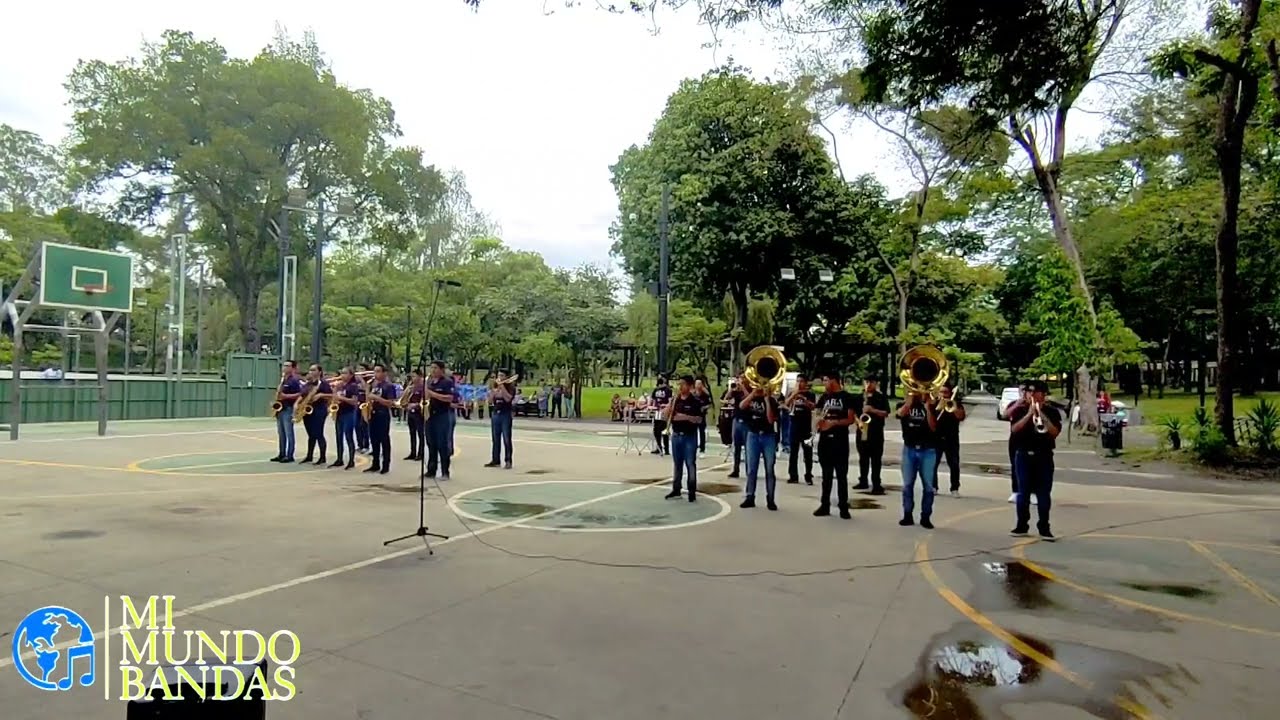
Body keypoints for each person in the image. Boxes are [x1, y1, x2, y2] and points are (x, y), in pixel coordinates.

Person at [1009, 379, 1062, 541]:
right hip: (1023, 455)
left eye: (1034, 391)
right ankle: (1021, 525)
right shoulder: (1020, 409)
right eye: (1028, 391)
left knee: (1043, 493)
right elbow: (1014, 429)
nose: (1030, 394)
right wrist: (1029, 414)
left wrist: (1041, 414)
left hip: (1044, 455)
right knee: (1023, 492)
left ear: (1043, 394)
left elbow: (1054, 432)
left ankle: (1044, 527)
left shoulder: (1052, 411)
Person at [813, 372, 857, 519]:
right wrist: (818, 421)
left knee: (841, 475)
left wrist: (833, 423)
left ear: (833, 381)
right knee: (826, 475)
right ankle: (824, 505)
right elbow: (817, 413)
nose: (824, 383)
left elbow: (850, 419)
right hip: (825, 440)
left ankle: (843, 506)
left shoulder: (846, 397)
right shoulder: (824, 397)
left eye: (826, 380)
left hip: (840, 440)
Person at [896, 389, 940, 529]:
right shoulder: (903, 405)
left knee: (928, 486)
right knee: (907, 485)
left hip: (928, 450)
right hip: (909, 449)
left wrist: (928, 408)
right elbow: (899, 414)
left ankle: (925, 517)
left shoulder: (934, 406)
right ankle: (907, 515)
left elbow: (934, 427)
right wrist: (909, 403)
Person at [738, 379, 779, 511]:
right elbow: (741, 406)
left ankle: (770, 498)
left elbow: (770, 419)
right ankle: (750, 496)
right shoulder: (752, 399)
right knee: (751, 468)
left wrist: (766, 400)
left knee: (769, 468)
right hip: (753, 435)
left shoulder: (772, 401)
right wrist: (752, 394)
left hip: (768, 436)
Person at [663, 375, 705, 502]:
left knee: (690, 463)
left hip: (689, 436)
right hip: (676, 435)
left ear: (690, 386)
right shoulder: (676, 399)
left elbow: (698, 419)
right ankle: (676, 488)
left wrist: (684, 417)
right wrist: (669, 405)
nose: (680, 387)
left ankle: (691, 490)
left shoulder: (695, 401)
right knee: (677, 464)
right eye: (679, 384)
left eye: (683, 384)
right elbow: (666, 415)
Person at [853, 374, 892, 495]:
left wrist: (872, 410)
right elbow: (853, 413)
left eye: (871, 382)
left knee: (876, 459)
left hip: (876, 432)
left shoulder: (881, 397)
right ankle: (863, 480)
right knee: (863, 457)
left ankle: (876, 483)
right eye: (866, 382)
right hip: (862, 430)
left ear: (876, 384)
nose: (868, 384)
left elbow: (886, 413)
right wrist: (858, 422)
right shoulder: (859, 397)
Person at [423, 361, 456, 479]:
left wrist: (432, 394)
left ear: (442, 370)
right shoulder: (429, 382)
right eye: (431, 367)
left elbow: (449, 398)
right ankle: (431, 470)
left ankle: (445, 471)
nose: (432, 370)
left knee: (442, 444)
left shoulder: (447, 382)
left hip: (442, 415)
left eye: (435, 368)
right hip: (430, 415)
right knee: (431, 443)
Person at [364, 364, 398, 475]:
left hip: (382, 414)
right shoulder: (373, 385)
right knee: (374, 440)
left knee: (384, 439)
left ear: (384, 373)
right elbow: (368, 399)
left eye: (378, 371)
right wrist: (367, 391)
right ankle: (375, 463)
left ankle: (386, 465)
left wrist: (376, 398)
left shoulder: (388, 386)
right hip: (372, 414)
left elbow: (391, 403)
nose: (375, 374)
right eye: (374, 371)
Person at [934, 384, 967, 497]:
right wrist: (939, 406)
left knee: (954, 464)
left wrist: (952, 406)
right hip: (936, 438)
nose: (943, 395)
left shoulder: (955, 404)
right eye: (941, 392)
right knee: (933, 463)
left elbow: (961, 417)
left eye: (945, 392)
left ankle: (954, 488)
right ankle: (933, 486)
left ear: (950, 393)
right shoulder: (934, 404)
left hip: (951, 438)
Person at [784, 375, 816, 485]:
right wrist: (794, 395)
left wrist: (804, 400)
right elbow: (786, 403)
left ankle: (808, 475)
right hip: (794, 425)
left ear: (806, 383)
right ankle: (793, 476)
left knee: (808, 453)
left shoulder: (810, 394)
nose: (799, 383)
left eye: (801, 381)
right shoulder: (792, 393)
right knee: (793, 452)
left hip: (806, 426)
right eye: (797, 381)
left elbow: (813, 407)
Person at [329, 367, 361, 470]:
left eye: (345, 373)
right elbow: (334, 397)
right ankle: (339, 459)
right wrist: (335, 390)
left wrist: (341, 398)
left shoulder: (353, 386)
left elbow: (354, 401)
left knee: (348, 436)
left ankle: (351, 460)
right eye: (341, 373)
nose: (342, 375)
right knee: (338, 436)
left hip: (349, 413)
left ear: (351, 375)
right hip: (339, 412)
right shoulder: (340, 385)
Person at [271, 361, 303, 463]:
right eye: (284, 365)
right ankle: (281, 453)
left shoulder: (294, 380)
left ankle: (290, 455)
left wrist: (286, 396)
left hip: (288, 408)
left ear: (292, 368)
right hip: (281, 408)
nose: (284, 367)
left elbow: (300, 394)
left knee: (289, 432)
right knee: (281, 433)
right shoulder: (283, 379)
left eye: (287, 366)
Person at [299, 364, 331, 466]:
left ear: (319, 372)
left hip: (319, 410)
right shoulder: (308, 383)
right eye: (310, 370)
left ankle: (322, 457)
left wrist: (321, 395)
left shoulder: (323, 384)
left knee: (318, 433)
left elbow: (331, 395)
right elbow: (302, 395)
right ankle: (309, 456)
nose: (311, 372)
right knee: (311, 434)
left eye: (313, 370)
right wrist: (297, 404)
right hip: (307, 410)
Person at [485, 370, 517, 469]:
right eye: (498, 375)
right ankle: (495, 460)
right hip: (496, 413)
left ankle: (508, 460)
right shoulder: (495, 386)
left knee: (507, 438)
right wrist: (492, 392)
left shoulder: (511, 387)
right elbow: (490, 401)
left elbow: (508, 398)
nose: (499, 377)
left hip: (505, 414)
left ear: (506, 377)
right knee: (495, 438)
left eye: (502, 375)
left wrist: (502, 387)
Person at [724, 374, 749, 478]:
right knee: (736, 446)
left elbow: (749, 397)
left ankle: (749, 470)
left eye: (742, 378)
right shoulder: (736, 391)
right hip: (737, 419)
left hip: (747, 421)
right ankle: (736, 469)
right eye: (739, 379)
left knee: (748, 447)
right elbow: (727, 397)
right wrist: (732, 388)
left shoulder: (750, 390)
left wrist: (743, 387)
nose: (740, 381)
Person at [403, 369, 426, 462]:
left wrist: (415, 405)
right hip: (410, 412)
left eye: (414, 376)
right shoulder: (411, 387)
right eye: (412, 376)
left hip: (419, 413)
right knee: (412, 433)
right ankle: (412, 452)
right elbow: (405, 398)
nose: (412, 378)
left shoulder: (423, 387)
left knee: (420, 434)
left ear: (420, 376)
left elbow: (424, 401)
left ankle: (421, 453)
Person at [650, 375, 673, 456]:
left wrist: (666, 406)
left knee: (663, 429)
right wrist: (652, 407)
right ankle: (659, 446)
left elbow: (670, 401)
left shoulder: (668, 390)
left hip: (664, 411)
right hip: (657, 411)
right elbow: (653, 400)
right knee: (656, 429)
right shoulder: (656, 390)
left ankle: (666, 448)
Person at [694, 376, 713, 455]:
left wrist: (704, 407)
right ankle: (694, 446)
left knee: (702, 432)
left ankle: (702, 448)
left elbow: (710, 404)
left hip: (702, 416)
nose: (698, 385)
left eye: (700, 384)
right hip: (694, 416)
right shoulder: (693, 394)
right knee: (693, 432)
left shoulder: (705, 394)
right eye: (697, 384)